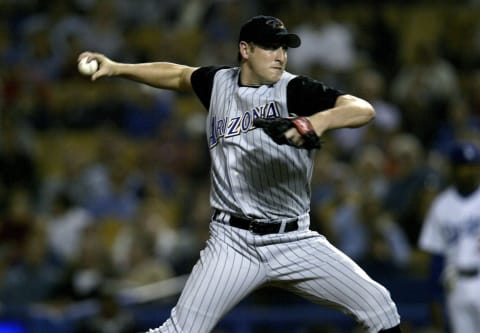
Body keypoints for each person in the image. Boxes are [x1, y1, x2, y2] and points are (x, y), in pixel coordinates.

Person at [78, 15, 402, 333]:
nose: (280, 56)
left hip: (294, 238)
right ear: (245, 49)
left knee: (381, 310)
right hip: (232, 242)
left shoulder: (295, 89)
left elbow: (363, 109)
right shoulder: (217, 82)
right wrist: (117, 68)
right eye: (271, 47)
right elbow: (177, 75)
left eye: (284, 48)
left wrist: (317, 121)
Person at [418, 141, 480, 333]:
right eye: (463, 167)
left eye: (472, 166)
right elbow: (436, 255)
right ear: (453, 169)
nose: (468, 172)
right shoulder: (441, 205)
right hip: (455, 283)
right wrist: (435, 296)